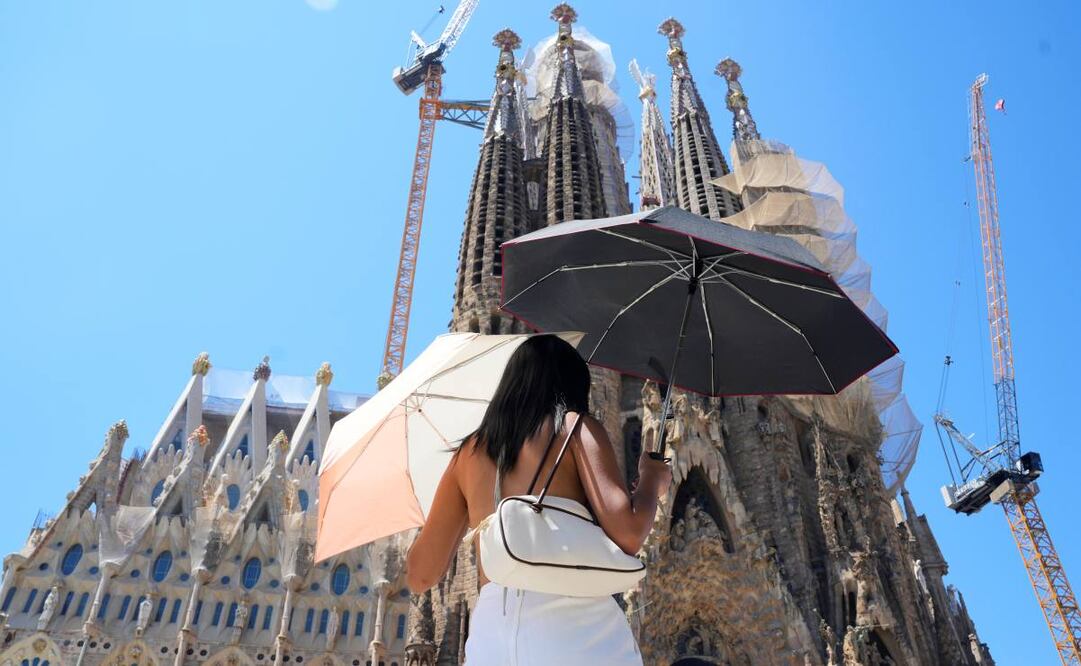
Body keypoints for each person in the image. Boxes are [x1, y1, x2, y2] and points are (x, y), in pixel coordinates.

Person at [405, 334, 672, 665]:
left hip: (491, 637)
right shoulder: (575, 428)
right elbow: (629, 534)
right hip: (576, 628)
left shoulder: (468, 456)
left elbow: (420, 576)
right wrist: (651, 481)